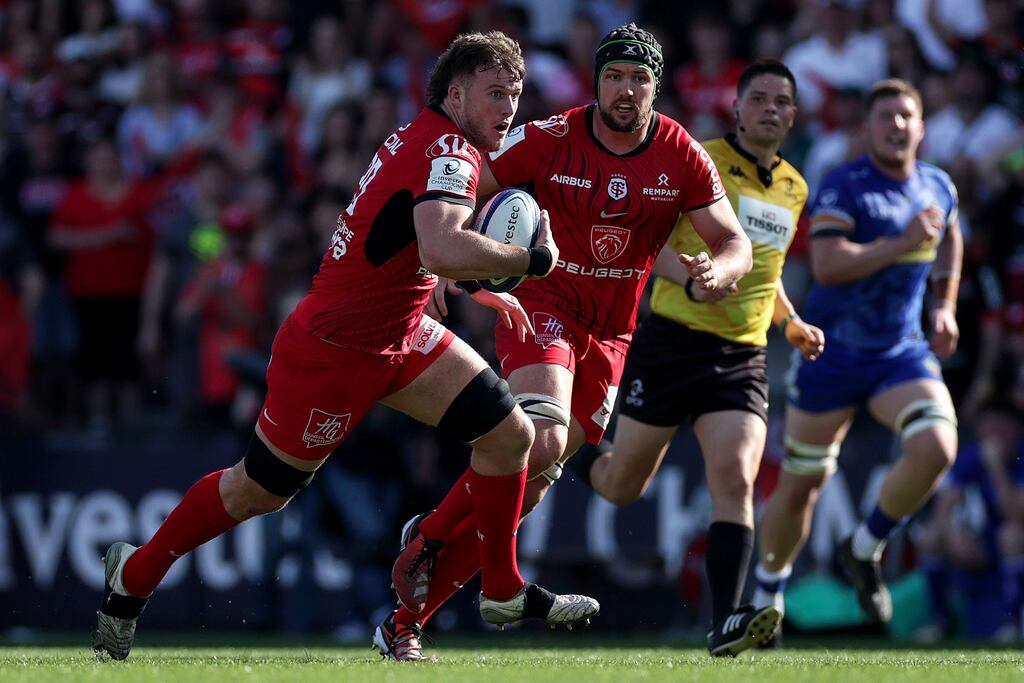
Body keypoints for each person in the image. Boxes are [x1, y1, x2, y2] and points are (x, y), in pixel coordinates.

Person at [91, 31, 599, 663]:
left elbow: (408, 240)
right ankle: (133, 577)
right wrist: (530, 260)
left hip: (403, 332)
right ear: (457, 93)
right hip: (333, 351)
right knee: (259, 491)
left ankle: (501, 588)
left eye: (515, 96)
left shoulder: (437, 141)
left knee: (510, 436)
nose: (508, 110)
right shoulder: (449, 147)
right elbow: (438, 242)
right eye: (495, 94)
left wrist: (472, 284)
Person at [385, 22, 753, 660]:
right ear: (597, 81)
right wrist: (447, 258)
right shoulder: (554, 136)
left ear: (656, 86)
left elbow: (735, 241)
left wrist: (716, 270)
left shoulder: (680, 151)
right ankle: (469, 563)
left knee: (526, 485)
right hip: (543, 306)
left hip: (612, 332)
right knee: (544, 432)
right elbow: (468, 183)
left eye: (640, 79)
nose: (626, 90)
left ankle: (407, 611)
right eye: (614, 76)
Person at [569, 60, 824, 656]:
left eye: (781, 101)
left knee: (736, 477)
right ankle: (561, 448)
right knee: (620, 485)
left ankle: (726, 623)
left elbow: (767, 270)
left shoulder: (795, 185)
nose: (769, 108)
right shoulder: (695, 157)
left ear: (792, 114)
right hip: (674, 342)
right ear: (736, 108)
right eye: (757, 98)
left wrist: (792, 323)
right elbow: (642, 237)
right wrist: (687, 279)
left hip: (743, 355)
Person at [751, 78, 963, 630]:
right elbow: (826, 266)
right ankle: (768, 593)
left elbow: (950, 240)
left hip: (900, 352)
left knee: (937, 445)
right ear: (866, 129)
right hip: (831, 353)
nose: (896, 125)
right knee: (801, 485)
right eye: (885, 116)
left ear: (922, 126)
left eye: (906, 115)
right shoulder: (845, 185)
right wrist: (902, 242)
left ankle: (864, 546)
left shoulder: (938, 186)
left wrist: (944, 305)